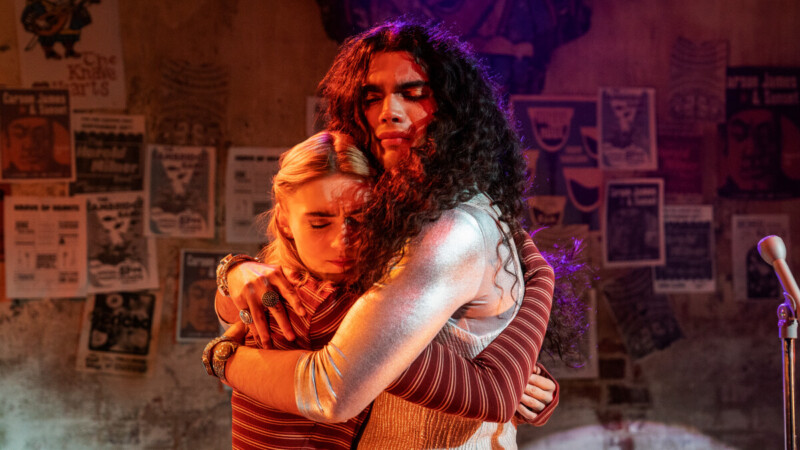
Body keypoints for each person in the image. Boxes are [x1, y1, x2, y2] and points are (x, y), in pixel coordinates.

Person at [209, 19, 572, 448]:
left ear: (454, 105)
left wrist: (222, 354)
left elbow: (484, 382)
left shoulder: (448, 224)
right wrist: (233, 279)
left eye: (414, 93)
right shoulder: (400, 219)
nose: (389, 111)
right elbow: (488, 387)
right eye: (371, 97)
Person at [2, 114, 71, 179]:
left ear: (52, 138)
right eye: (19, 134)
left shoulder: (66, 172)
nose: (30, 145)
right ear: (6, 140)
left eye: (40, 134)